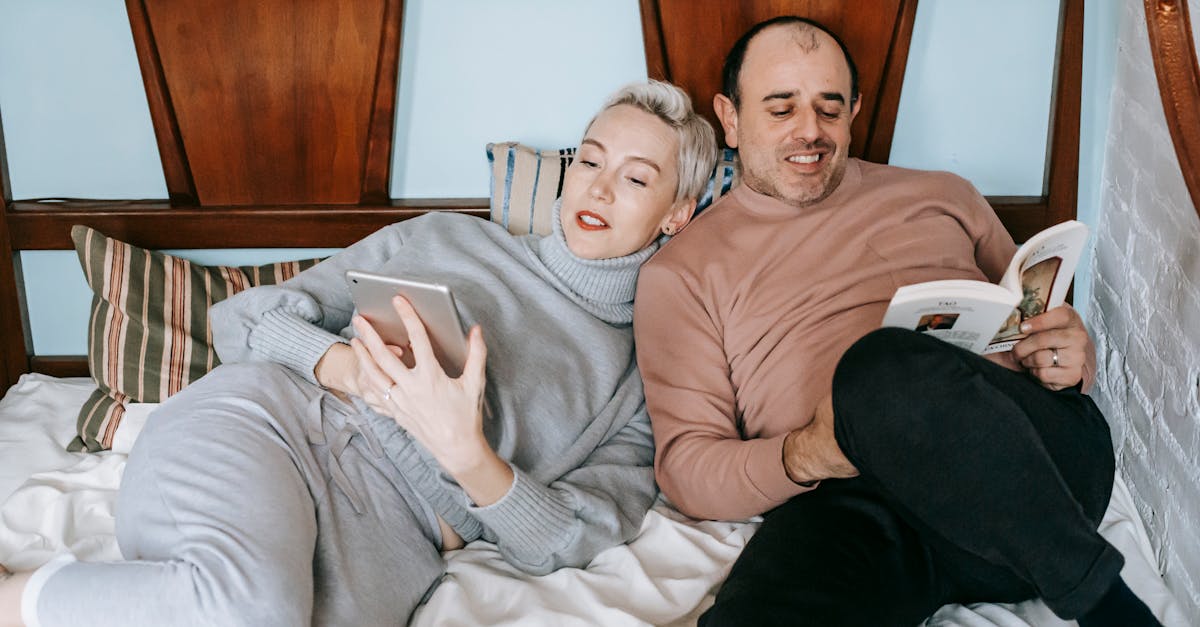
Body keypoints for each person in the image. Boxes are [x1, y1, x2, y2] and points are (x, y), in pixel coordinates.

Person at [0, 79, 717, 627]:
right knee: (252, 609)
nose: (596, 185)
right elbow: (245, 318)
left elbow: (569, 538)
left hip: (390, 539)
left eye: (635, 177)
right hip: (276, 426)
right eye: (589, 158)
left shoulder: (637, 378)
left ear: (678, 212)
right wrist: (352, 370)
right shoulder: (451, 238)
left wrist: (469, 456)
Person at [633, 16, 1162, 627]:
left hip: (1037, 472)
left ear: (855, 109)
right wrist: (807, 455)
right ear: (729, 116)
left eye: (829, 109)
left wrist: (1067, 356)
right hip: (859, 509)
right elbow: (687, 469)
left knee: (880, 363)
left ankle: (1107, 606)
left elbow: (1032, 313)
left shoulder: (945, 194)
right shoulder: (681, 272)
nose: (810, 131)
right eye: (781, 110)